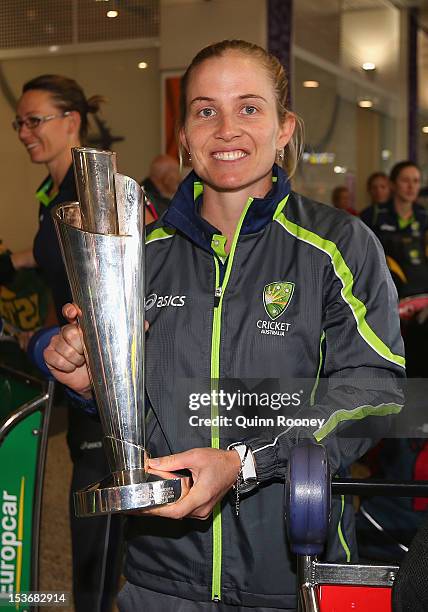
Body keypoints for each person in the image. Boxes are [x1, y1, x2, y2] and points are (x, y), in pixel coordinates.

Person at [44, 41, 404, 611]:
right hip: (159, 578)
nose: (227, 129)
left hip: (292, 573)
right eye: (206, 110)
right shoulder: (141, 255)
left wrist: (246, 461)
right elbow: (140, 409)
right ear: (183, 135)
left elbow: (377, 393)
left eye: (250, 108)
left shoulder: (337, 246)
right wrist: (92, 382)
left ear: (285, 128)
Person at [0, 75, 122, 611]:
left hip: (103, 381)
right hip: (72, 375)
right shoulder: (53, 191)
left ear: (71, 120)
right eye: (18, 123)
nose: (24, 131)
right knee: (87, 506)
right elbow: (57, 260)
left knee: (93, 515)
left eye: (34, 120)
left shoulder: (92, 189)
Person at [359, 161, 428, 562]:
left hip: (423, 326)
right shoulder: (373, 219)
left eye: (416, 182)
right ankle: (394, 465)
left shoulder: (423, 219)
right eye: (405, 180)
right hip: (390, 321)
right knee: (398, 394)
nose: (409, 187)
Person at [141, 154, 181, 218]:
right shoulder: (144, 199)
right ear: (165, 177)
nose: (179, 178)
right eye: (176, 172)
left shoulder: (161, 199)